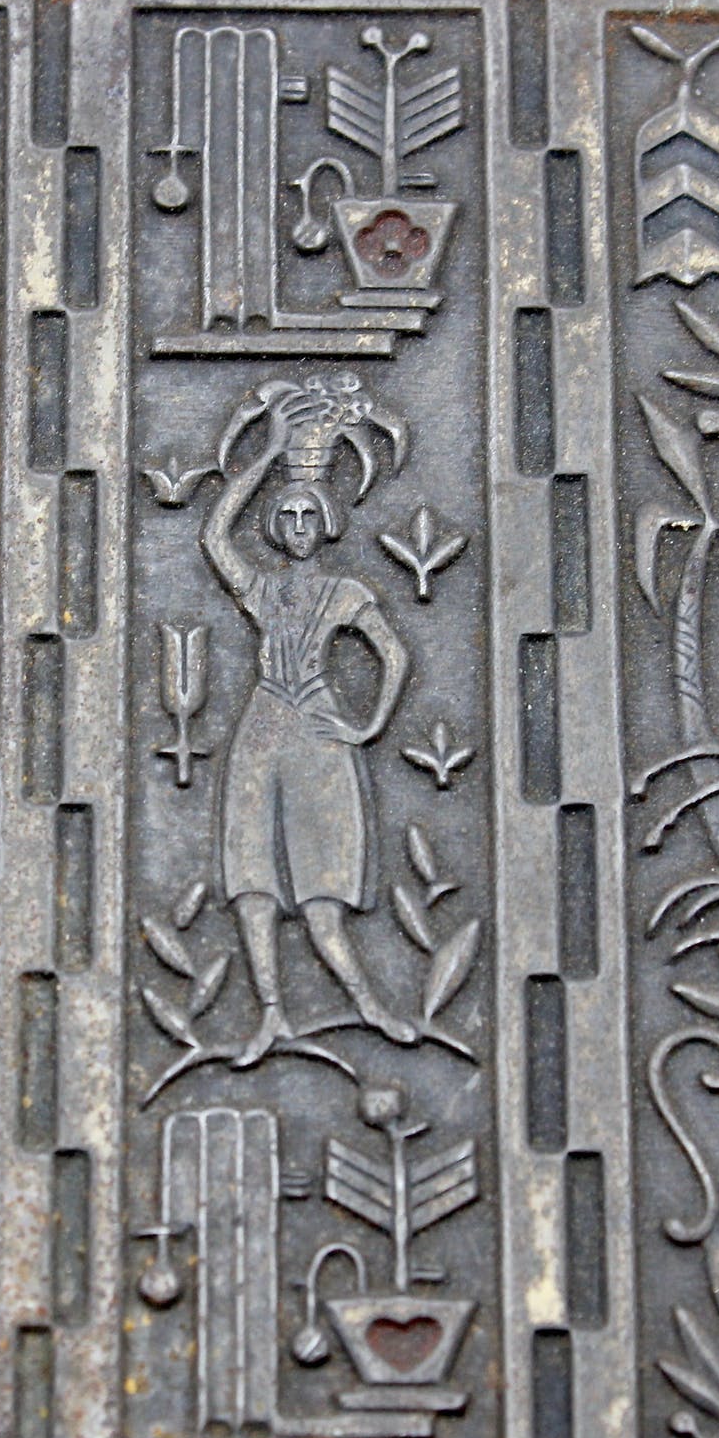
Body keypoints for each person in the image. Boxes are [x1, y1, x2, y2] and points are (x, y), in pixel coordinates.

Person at [200, 378, 416, 1063]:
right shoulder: (262, 589)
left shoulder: (344, 591)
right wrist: (266, 455)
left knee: (324, 894)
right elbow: (214, 535)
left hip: (319, 727)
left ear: (325, 523)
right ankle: (270, 1014)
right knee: (253, 881)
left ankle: (368, 1004)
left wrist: (370, 724)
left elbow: (393, 654)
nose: (296, 527)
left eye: (307, 516)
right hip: (263, 726)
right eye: (287, 516)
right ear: (276, 523)